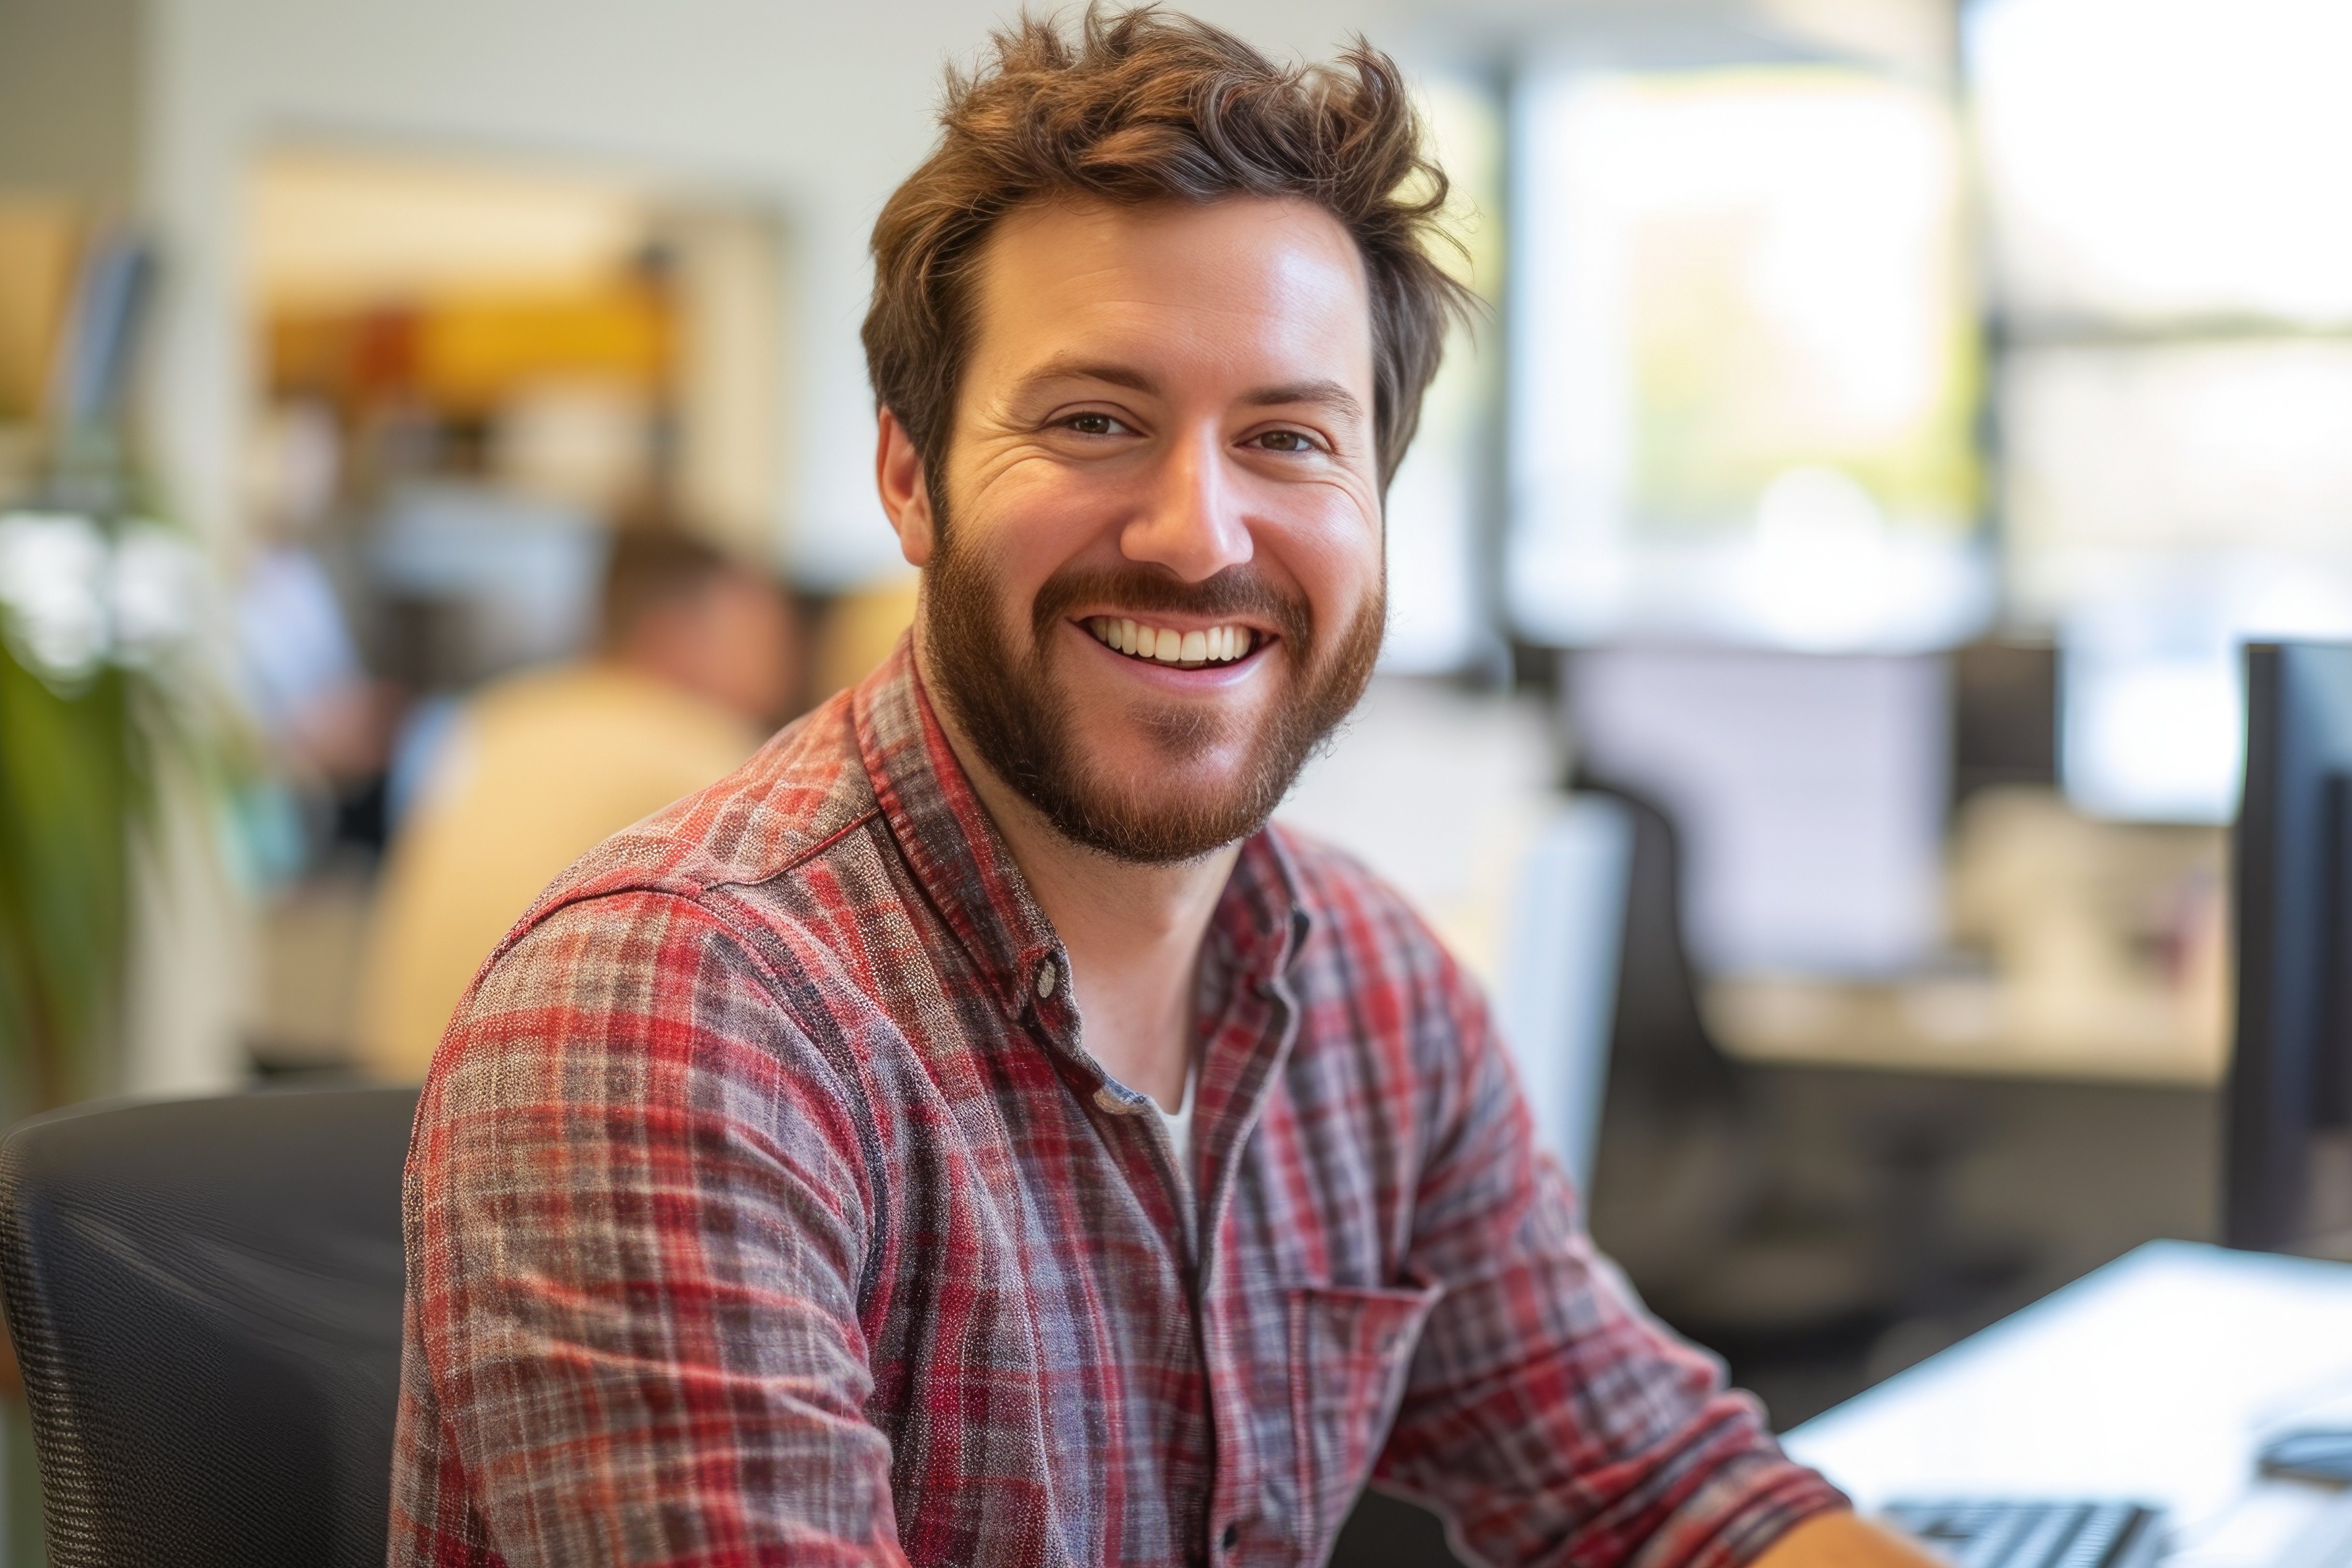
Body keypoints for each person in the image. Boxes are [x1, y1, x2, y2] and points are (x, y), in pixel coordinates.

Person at [390, 13, 1940, 1568]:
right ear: (909, 478)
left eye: (1287, 437)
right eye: (1093, 422)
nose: (1199, 536)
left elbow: (1669, 1492)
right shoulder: (679, 1011)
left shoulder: (1373, 991)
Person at [356, 527, 797, 1079]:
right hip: (527, 1098)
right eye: (759, 632)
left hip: (389, 1084)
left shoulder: (498, 718)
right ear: (675, 634)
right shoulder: (703, 746)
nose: (783, 661)